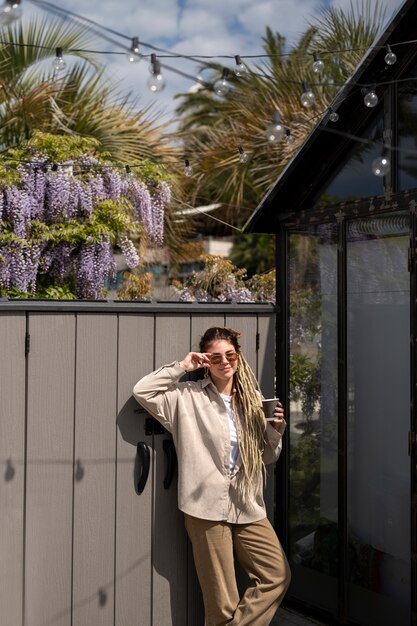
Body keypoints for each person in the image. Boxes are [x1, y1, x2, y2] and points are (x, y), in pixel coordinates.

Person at [133, 326, 291, 626]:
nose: (224, 362)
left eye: (230, 355)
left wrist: (275, 432)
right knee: (222, 603)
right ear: (206, 361)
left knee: (277, 575)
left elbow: (267, 457)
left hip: (246, 505)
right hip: (204, 508)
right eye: (216, 357)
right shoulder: (186, 398)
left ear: (238, 357)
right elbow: (143, 391)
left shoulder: (253, 401)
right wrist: (183, 366)